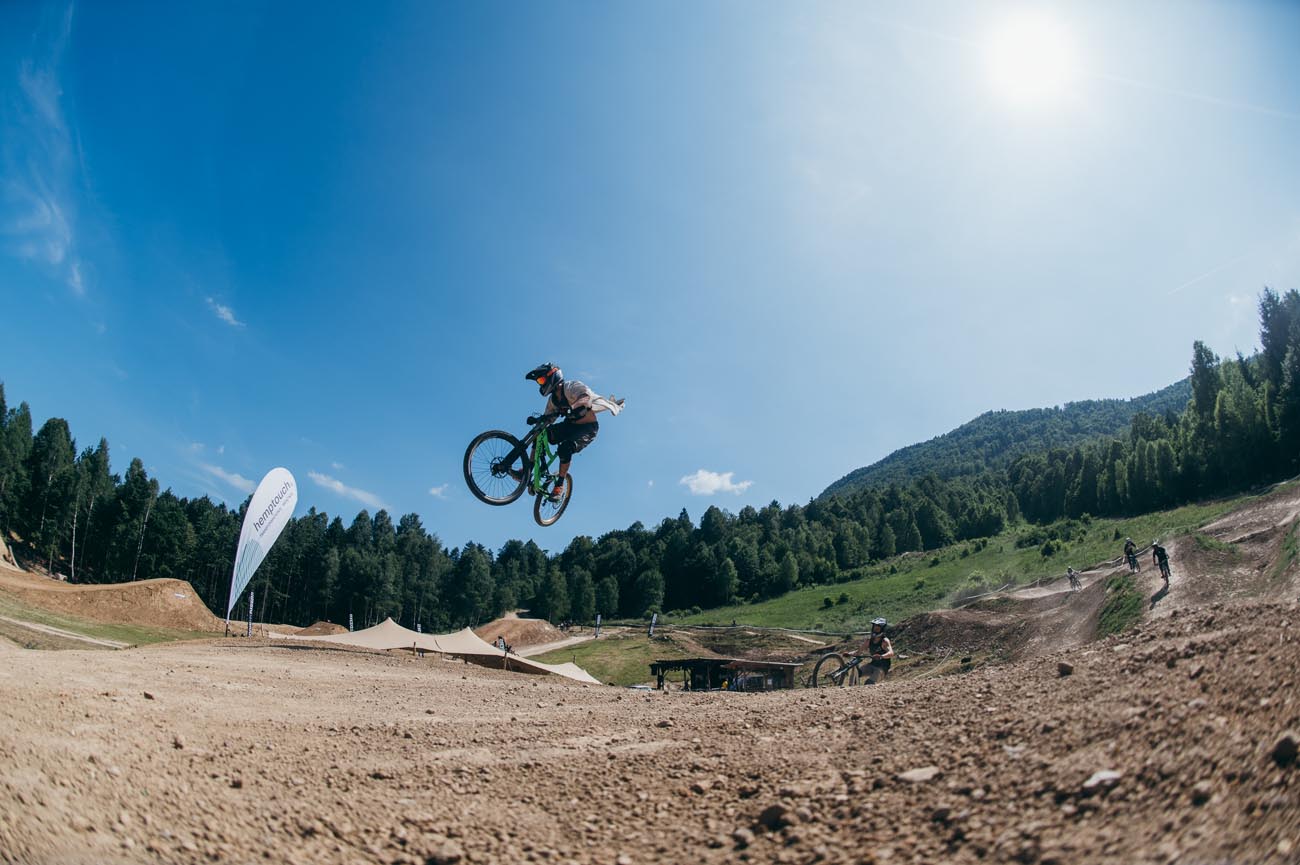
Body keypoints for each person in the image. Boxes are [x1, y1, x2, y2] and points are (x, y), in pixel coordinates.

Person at [519, 362, 613, 500]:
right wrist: (538, 421)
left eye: (542, 380)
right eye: (539, 382)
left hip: (587, 428)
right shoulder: (553, 400)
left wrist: (573, 407)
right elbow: (548, 419)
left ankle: (559, 485)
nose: (541, 384)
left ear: (553, 376)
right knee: (540, 434)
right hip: (568, 425)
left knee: (565, 449)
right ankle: (528, 470)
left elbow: (585, 397)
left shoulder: (571, 387)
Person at [856, 617, 894, 684]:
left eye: (877, 627)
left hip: (882, 669)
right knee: (856, 674)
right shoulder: (869, 641)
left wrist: (881, 656)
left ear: (882, 629)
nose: (875, 628)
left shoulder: (884, 641)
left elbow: (891, 653)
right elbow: (858, 652)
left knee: (868, 683)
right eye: (874, 627)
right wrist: (849, 654)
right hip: (872, 665)